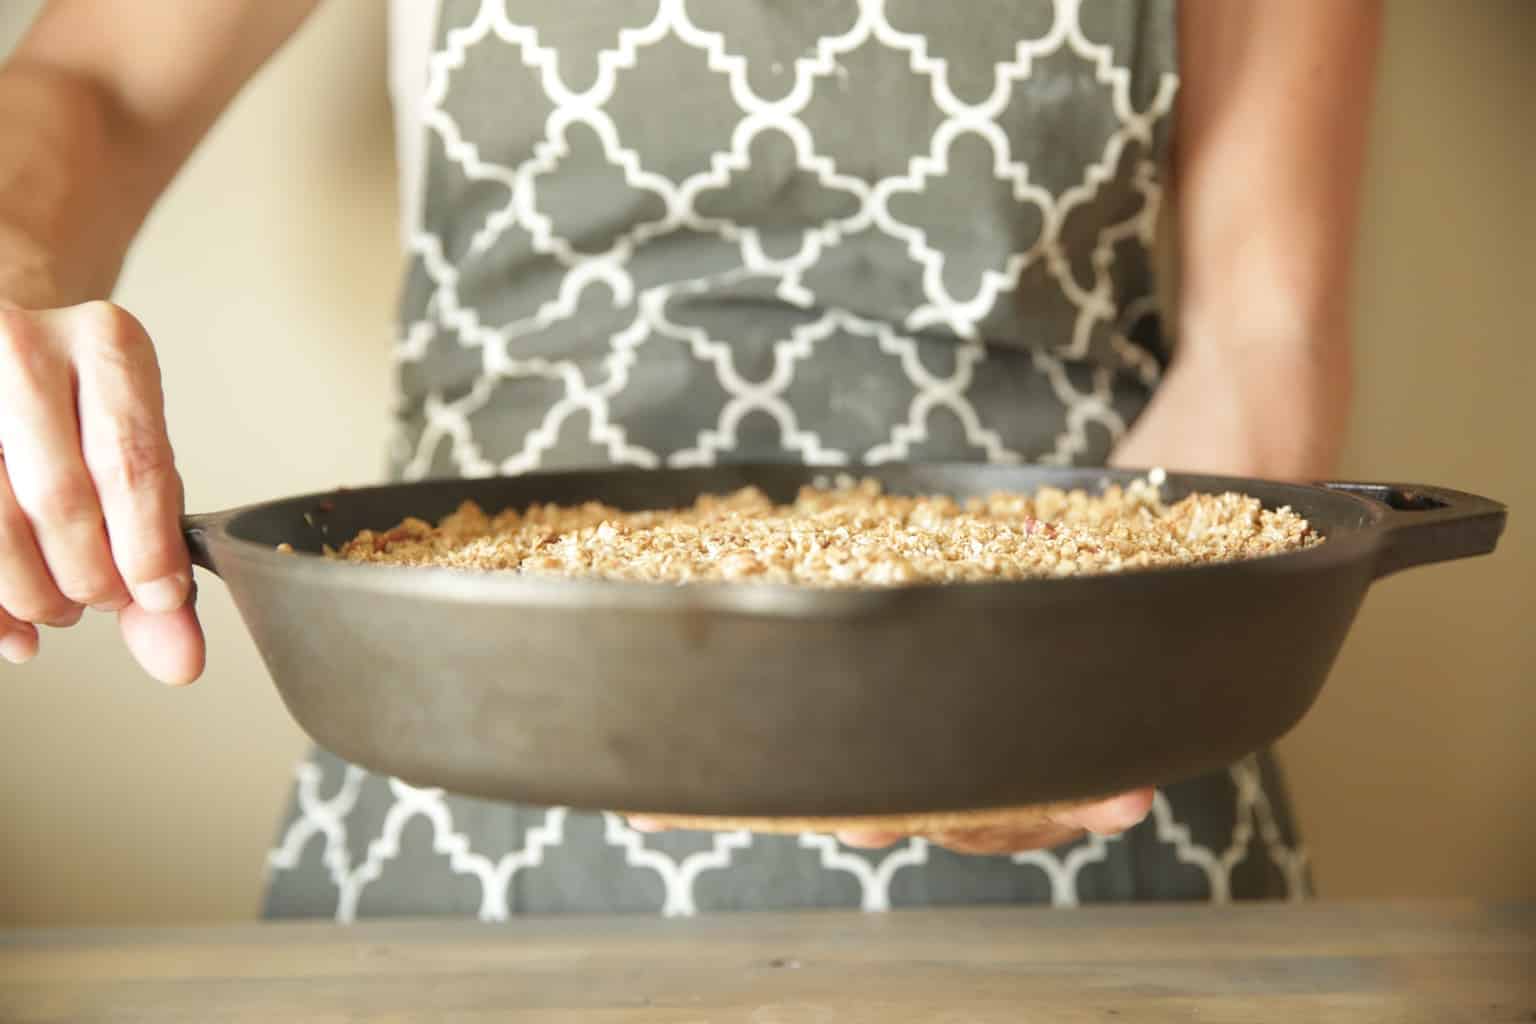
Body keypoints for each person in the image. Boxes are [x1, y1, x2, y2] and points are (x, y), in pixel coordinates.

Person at [0, 0, 1380, 916]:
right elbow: (96, 82)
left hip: (1089, 747)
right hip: (473, 741)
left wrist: (1084, 698)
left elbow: (1262, 336)